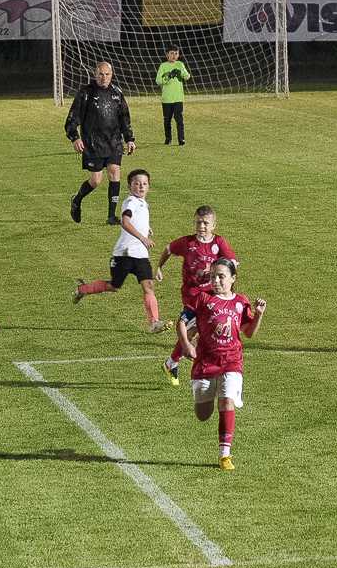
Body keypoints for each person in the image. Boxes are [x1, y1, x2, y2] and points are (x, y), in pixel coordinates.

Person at [190, 258, 266, 469]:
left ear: (233, 278)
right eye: (213, 276)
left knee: (226, 401)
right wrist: (188, 343)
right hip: (206, 362)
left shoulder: (241, 302)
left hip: (232, 361)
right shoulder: (203, 299)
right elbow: (189, 328)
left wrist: (258, 315)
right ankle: (210, 393)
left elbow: (248, 332)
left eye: (221, 276)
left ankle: (225, 455)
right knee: (203, 414)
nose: (216, 280)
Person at [73, 166, 164, 330]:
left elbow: (137, 221)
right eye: (137, 183)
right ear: (129, 186)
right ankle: (83, 289)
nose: (141, 186)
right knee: (114, 286)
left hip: (141, 255)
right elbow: (125, 222)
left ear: (149, 187)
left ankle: (154, 322)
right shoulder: (131, 202)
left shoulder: (143, 204)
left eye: (144, 183)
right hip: (124, 253)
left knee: (148, 286)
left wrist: (146, 229)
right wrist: (143, 238)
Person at [162, 205, 237, 384]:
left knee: (196, 329)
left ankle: (173, 361)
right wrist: (159, 267)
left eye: (205, 223)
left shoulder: (218, 242)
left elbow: (233, 262)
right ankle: (178, 359)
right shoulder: (187, 243)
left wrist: (216, 270)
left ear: (213, 225)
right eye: (198, 222)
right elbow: (168, 249)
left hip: (211, 294)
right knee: (194, 328)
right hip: (193, 295)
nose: (201, 226)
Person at [65, 59, 136, 226]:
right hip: (93, 144)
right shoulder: (85, 93)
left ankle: (111, 216)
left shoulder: (117, 93)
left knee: (114, 172)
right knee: (96, 180)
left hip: (114, 142)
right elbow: (72, 118)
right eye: (101, 74)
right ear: (95, 74)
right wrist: (75, 137)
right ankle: (77, 199)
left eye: (107, 74)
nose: (104, 77)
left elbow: (124, 118)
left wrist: (129, 139)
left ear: (112, 75)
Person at [155, 47, 189, 146]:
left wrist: (181, 73)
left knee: (179, 120)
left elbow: (187, 76)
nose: (174, 55)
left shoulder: (180, 64)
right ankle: (168, 139)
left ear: (178, 55)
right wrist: (169, 76)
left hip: (178, 98)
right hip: (167, 99)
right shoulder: (163, 66)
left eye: (176, 53)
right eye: (172, 53)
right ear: (167, 55)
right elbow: (158, 81)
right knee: (167, 120)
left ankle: (181, 139)